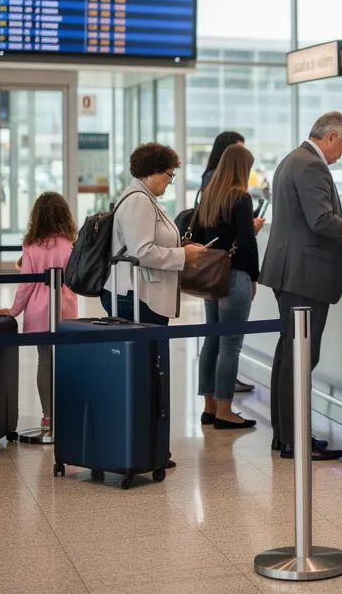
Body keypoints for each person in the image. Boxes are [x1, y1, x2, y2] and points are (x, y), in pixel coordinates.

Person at [261, 112, 342, 461]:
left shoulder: (294, 159)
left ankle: (285, 436)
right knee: (300, 358)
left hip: (291, 272)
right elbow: (321, 220)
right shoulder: (311, 165)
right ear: (331, 137)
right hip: (304, 275)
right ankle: (294, 440)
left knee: (289, 356)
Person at [107, 143, 211, 470]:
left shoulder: (146, 199)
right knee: (143, 373)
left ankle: (147, 445)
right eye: (168, 174)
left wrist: (181, 247)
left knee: (148, 373)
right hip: (138, 299)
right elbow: (142, 252)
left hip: (144, 295)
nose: (170, 181)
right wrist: (183, 255)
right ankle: (139, 447)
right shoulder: (138, 201)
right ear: (152, 172)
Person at [187, 144, 261, 429]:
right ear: (242, 169)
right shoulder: (241, 198)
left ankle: (209, 407)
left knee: (212, 340)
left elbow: (207, 237)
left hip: (212, 276)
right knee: (231, 345)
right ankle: (225, 411)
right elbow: (247, 243)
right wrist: (254, 278)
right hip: (235, 275)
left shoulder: (209, 196)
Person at [0, 192, 78, 431]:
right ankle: (65, 410)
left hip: (39, 309)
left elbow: (27, 284)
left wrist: (14, 310)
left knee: (44, 362)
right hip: (65, 307)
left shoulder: (31, 245)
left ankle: (47, 415)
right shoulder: (71, 243)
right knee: (64, 362)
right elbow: (75, 279)